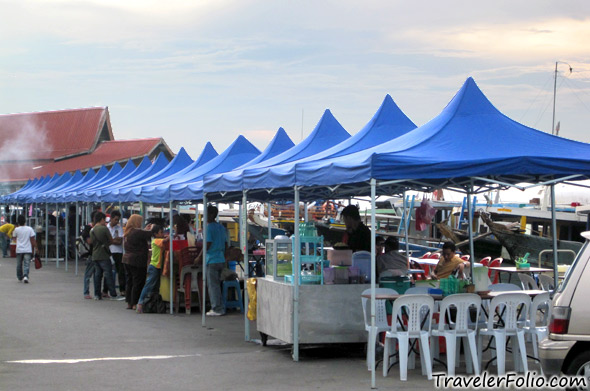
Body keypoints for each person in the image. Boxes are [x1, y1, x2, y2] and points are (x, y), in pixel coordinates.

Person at [197, 205, 228, 316]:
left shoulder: (209, 227)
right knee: (218, 285)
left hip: (212, 259)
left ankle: (217, 308)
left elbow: (207, 244)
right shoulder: (221, 227)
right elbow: (226, 244)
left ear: (210, 215)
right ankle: (220, 306)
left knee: (213, 285)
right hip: (221, 258)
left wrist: (199, 256)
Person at [136, 225, 170, 314]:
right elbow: (165, 241)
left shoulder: (157, 240)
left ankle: (151, 304)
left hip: (157, 267)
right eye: (161, 232)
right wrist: (171, 235)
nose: (162, 234)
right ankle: (140, 303)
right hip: (154, 266)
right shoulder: (156, 241)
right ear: (155, 234)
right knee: (149, 285)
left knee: (155, 287)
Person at [122, 214, 154, 310]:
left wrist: (144, 229)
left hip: (127, 259)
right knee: (138, 282)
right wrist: (152, 228)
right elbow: (150, 234)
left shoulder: (128, 232)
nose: (141, 223)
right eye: (140, 221)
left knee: (130, 281)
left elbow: (142, 234)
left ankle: (129, 302)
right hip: (137, 260)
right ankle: (135, 302)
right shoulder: (137, 232)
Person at [90, 212, 124, 300]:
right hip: (104, 254)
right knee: (108, 274)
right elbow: (111, 241)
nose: (105, 221)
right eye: (104, 219)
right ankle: (113, 294)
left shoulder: (92, 230)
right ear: (101, 219)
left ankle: (97, 294)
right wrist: (113, 240)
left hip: (95, 254)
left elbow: (92, 242)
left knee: (97, 275)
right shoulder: (104, 229)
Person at [13, 215, 37, 283]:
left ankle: (19, 277)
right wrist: (36, 247)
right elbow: (32, 239)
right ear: (25, 221)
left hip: (19, 249)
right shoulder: (30, 229)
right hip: (27, 249)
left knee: (19, 264)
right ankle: (25, 276)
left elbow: (14, 238)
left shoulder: (16, 229)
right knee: (27, 263)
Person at [107, 210, 125, 296]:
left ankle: (122, 289)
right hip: (109, 251)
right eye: (115, 219)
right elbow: (106, 240)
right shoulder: (106, 228)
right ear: (111, 218)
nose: (117, 221)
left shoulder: (119, 228)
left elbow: (119, 241)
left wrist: (110, 240)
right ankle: (106, 290)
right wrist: (114, 240)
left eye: (118, 220)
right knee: (108, 271)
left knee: (121, 271)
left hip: (118, 252)